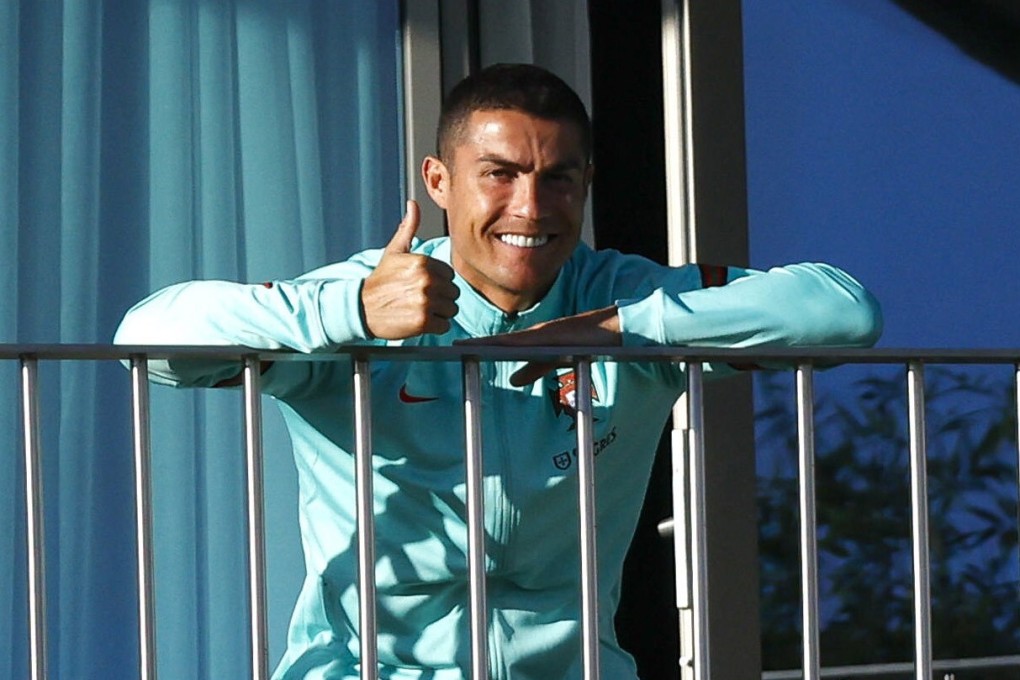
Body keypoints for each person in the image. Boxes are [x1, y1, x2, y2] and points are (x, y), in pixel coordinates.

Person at [115, 63, 882, 680]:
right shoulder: (367, 297)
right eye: (500, 174)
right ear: (439, 182)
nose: (530, 205)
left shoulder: (628, 297)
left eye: (558, 178)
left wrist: (618, 328)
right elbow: (146, 337)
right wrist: (347, 314)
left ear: (585, 185)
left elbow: (844, 310)